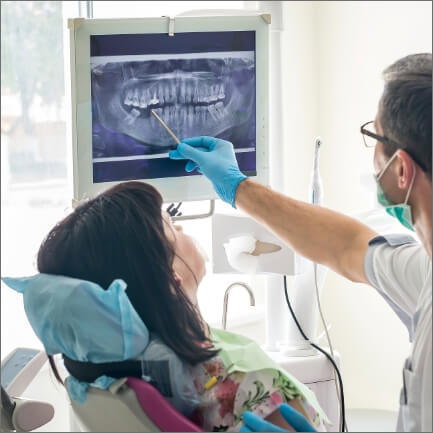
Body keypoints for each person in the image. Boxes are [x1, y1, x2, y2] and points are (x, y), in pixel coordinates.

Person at [169, 53, 432, 432]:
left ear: (403, 169)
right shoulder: (423, 270)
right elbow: (345, 244)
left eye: (373, 135)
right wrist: (238, 188)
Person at [3, 181, 328, 432]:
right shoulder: (254, 391)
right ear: (171, 279)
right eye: (171, 226)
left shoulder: (100, 377)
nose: (183, 228)